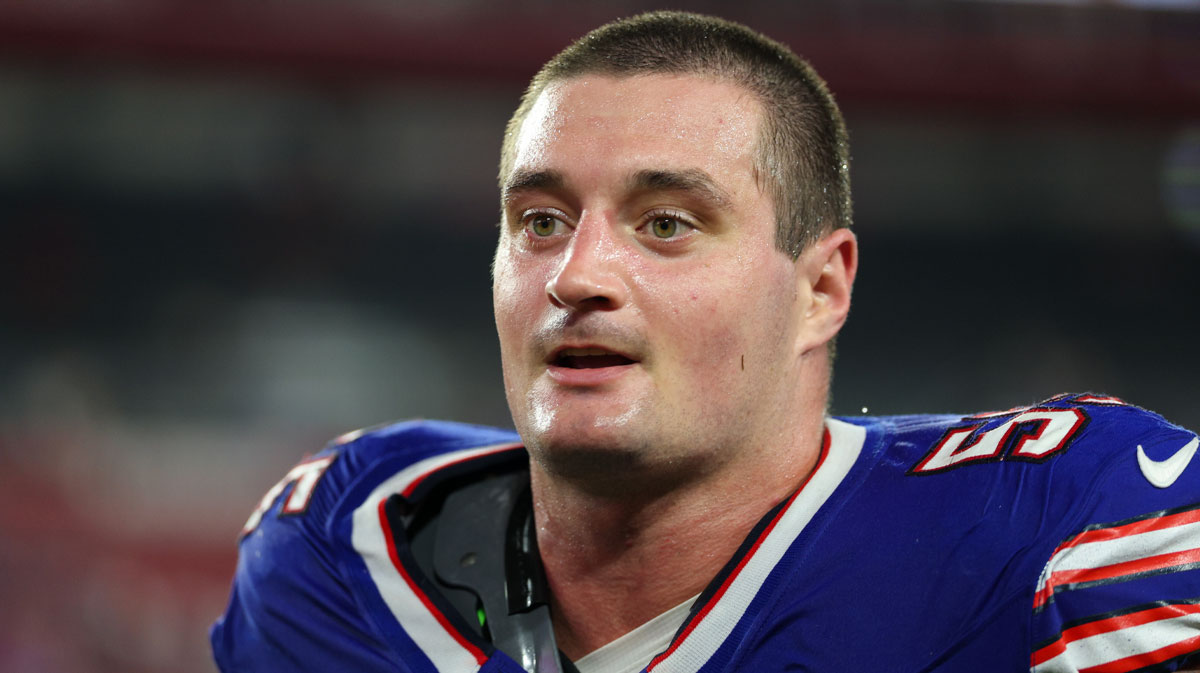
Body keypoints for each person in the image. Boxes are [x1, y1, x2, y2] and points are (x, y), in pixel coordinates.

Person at [210, 11, 1200, 673]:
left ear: (821, 290)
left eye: (667, 224)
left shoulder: (1050, 530)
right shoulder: (341, 554)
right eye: (542, 221)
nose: (577, 274)